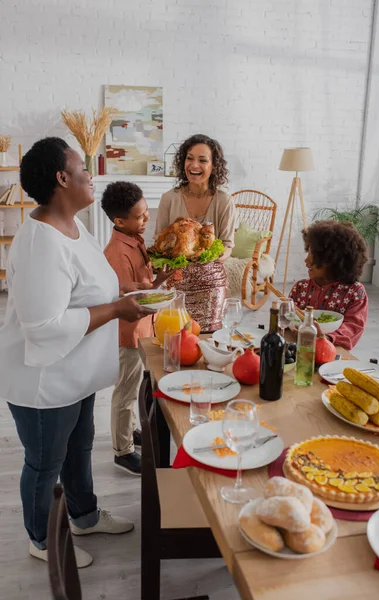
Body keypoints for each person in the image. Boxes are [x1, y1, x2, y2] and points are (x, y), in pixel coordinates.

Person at [0, 138, 156, 568]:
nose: (92, 176)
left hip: (76, 372)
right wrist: (117, 309)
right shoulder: (40, 245)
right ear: (61, 178)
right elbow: (44, 327)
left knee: (79, 445)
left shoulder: (76, 227)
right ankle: (42, 539)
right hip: (44, 379)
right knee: (45, 461)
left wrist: (133, 293)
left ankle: (84, 516)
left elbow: (93, 286)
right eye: (83, 169)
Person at [101, 182, 171, 475]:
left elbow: (145, 286)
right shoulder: (116, 253)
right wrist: (151, 289)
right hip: (128, 333)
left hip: (144, 327)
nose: (147, 220)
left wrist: (160, 279)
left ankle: (130, 431)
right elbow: (126, 297)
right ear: (120, 221)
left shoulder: (135, 239)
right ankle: (122, 450)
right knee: (126, 391)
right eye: (141, 216)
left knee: (140, 383)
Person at [154, 133, 236, 332]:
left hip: (210, 283)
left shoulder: (224, 201)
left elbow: (227, 245)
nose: (194, 165)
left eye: (202, 160)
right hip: (176, 281)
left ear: (214, 166)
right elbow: (158, 242)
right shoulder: (169, 199)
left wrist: (206, 258)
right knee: (173, 335)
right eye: (189, 158)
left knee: (208, 336)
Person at [289, 220, 368, 350]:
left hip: (333, 352)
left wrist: (327, 338)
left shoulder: (355, 292)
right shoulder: (300, 287)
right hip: (299, 349)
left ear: (333, 260)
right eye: (308, 253)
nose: (306, 260)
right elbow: (291, 319)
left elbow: (353, 327)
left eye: (313, 255)